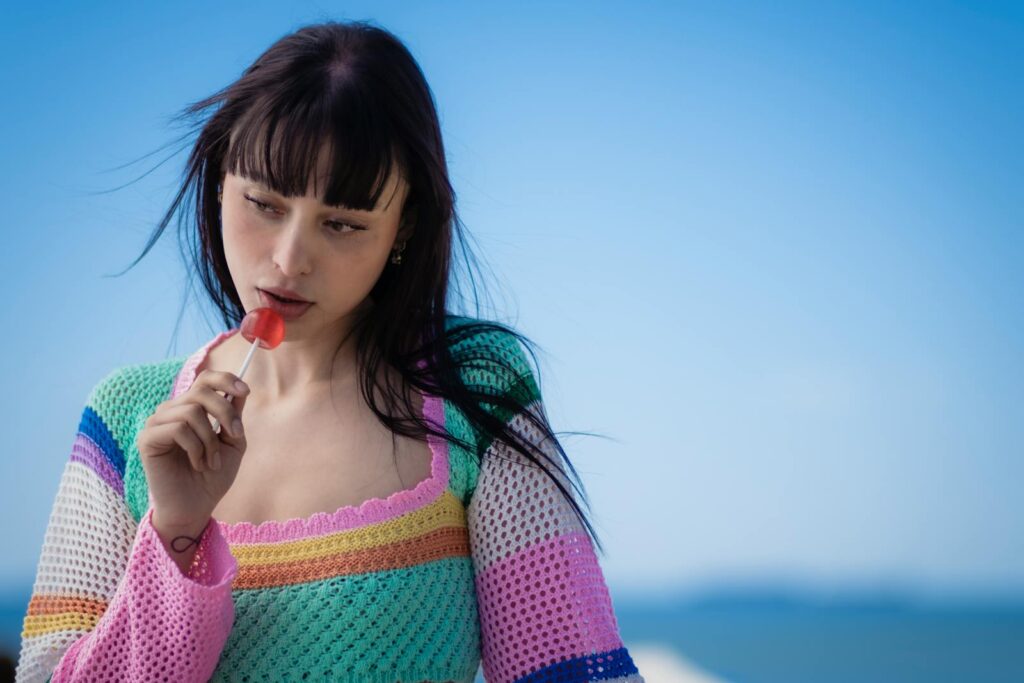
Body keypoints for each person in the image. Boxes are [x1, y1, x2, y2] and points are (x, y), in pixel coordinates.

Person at [15, 19, 645, 683]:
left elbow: (572, 669)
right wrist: (175, 529)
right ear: (220, 183)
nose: (288, 261)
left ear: (404, 227)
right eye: (262, 201)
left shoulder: (474, 386)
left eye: (342, 223)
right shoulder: (125, 419)